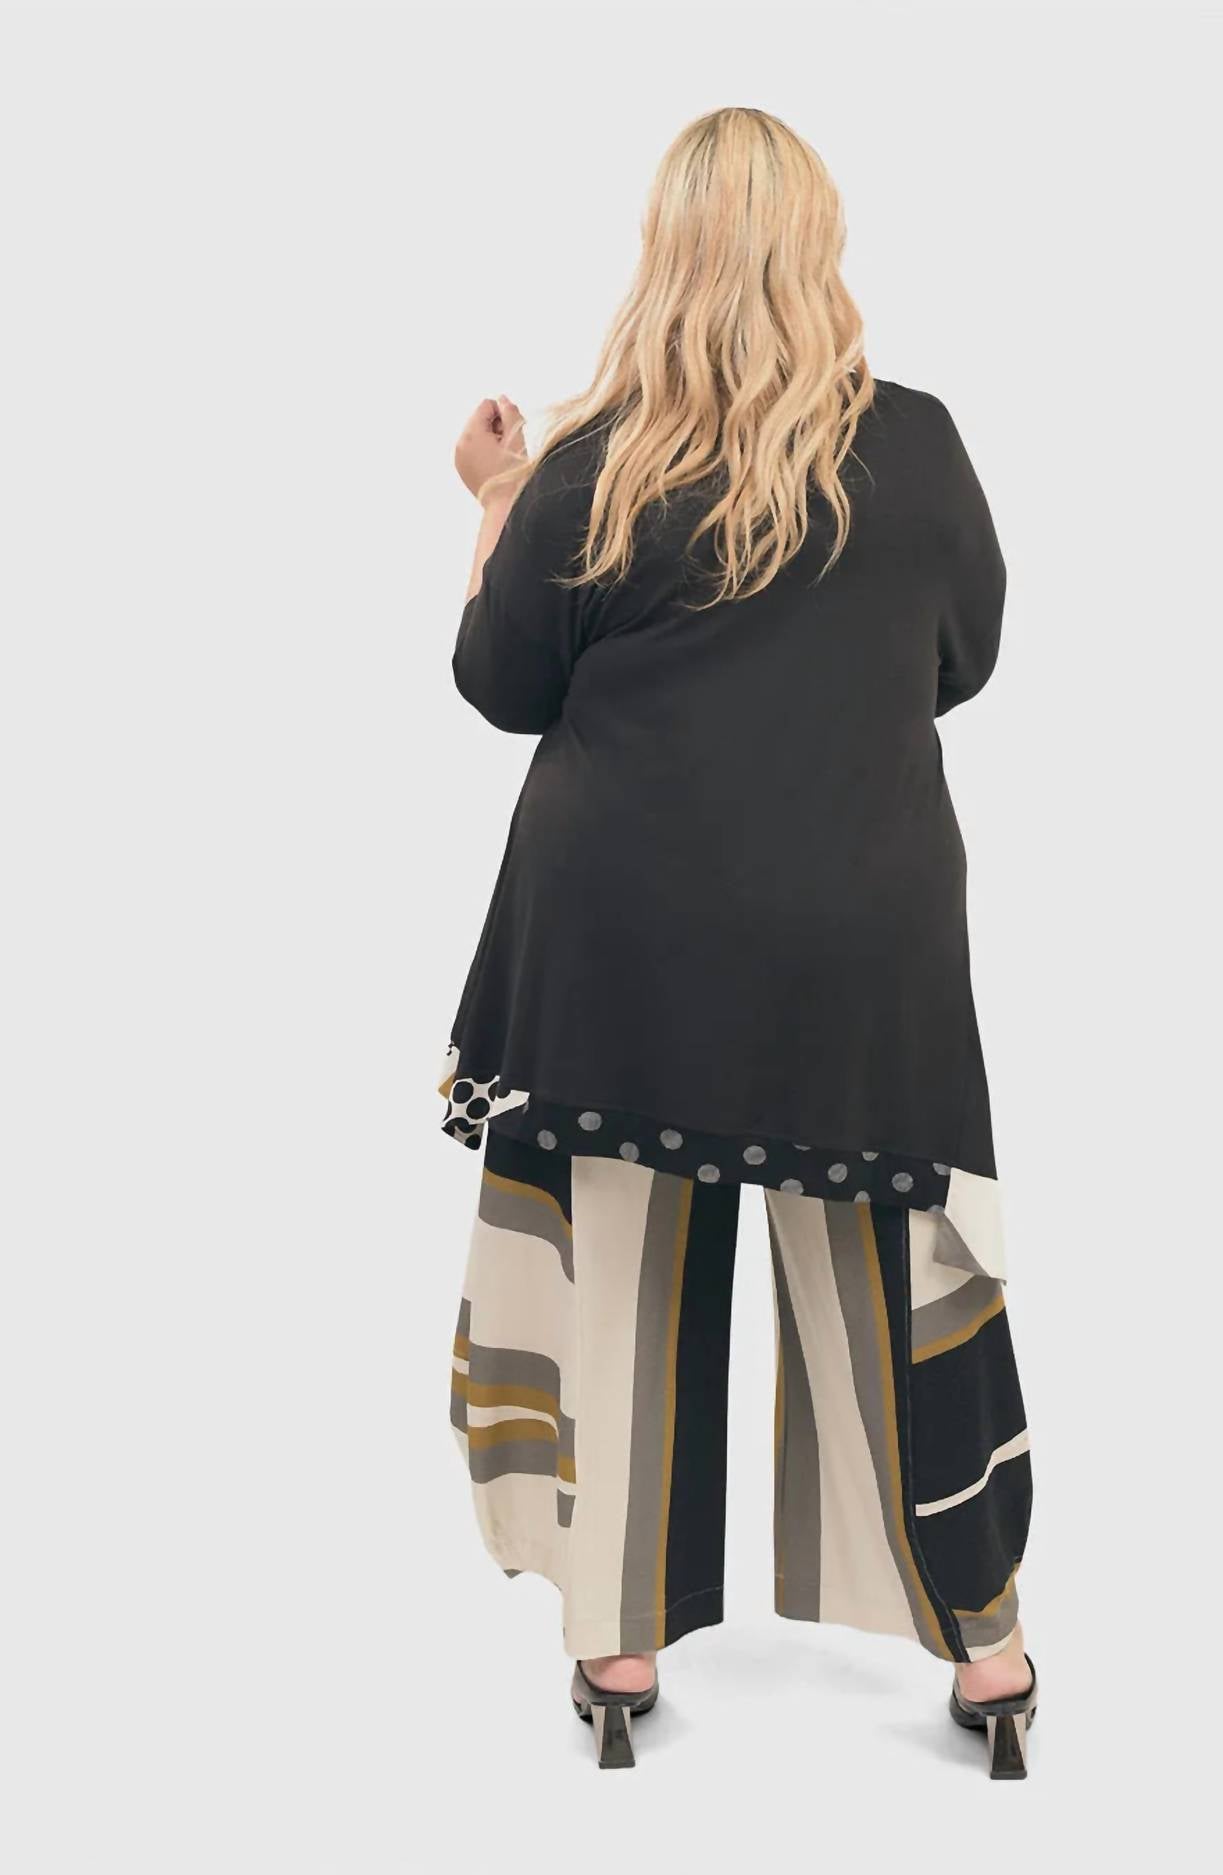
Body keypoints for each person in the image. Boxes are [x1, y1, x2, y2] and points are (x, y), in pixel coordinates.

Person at [440, 106, 1035, 1776]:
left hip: (621, 938)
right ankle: (991, 1656)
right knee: (901, 1274)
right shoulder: (918, 445)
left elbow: (500, 684)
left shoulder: (594, 462)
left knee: (620, 1268)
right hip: (859, 935)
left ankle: (616, 1647)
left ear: (665, 252)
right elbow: (963, 658)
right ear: (819, 249)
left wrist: (494, 496)